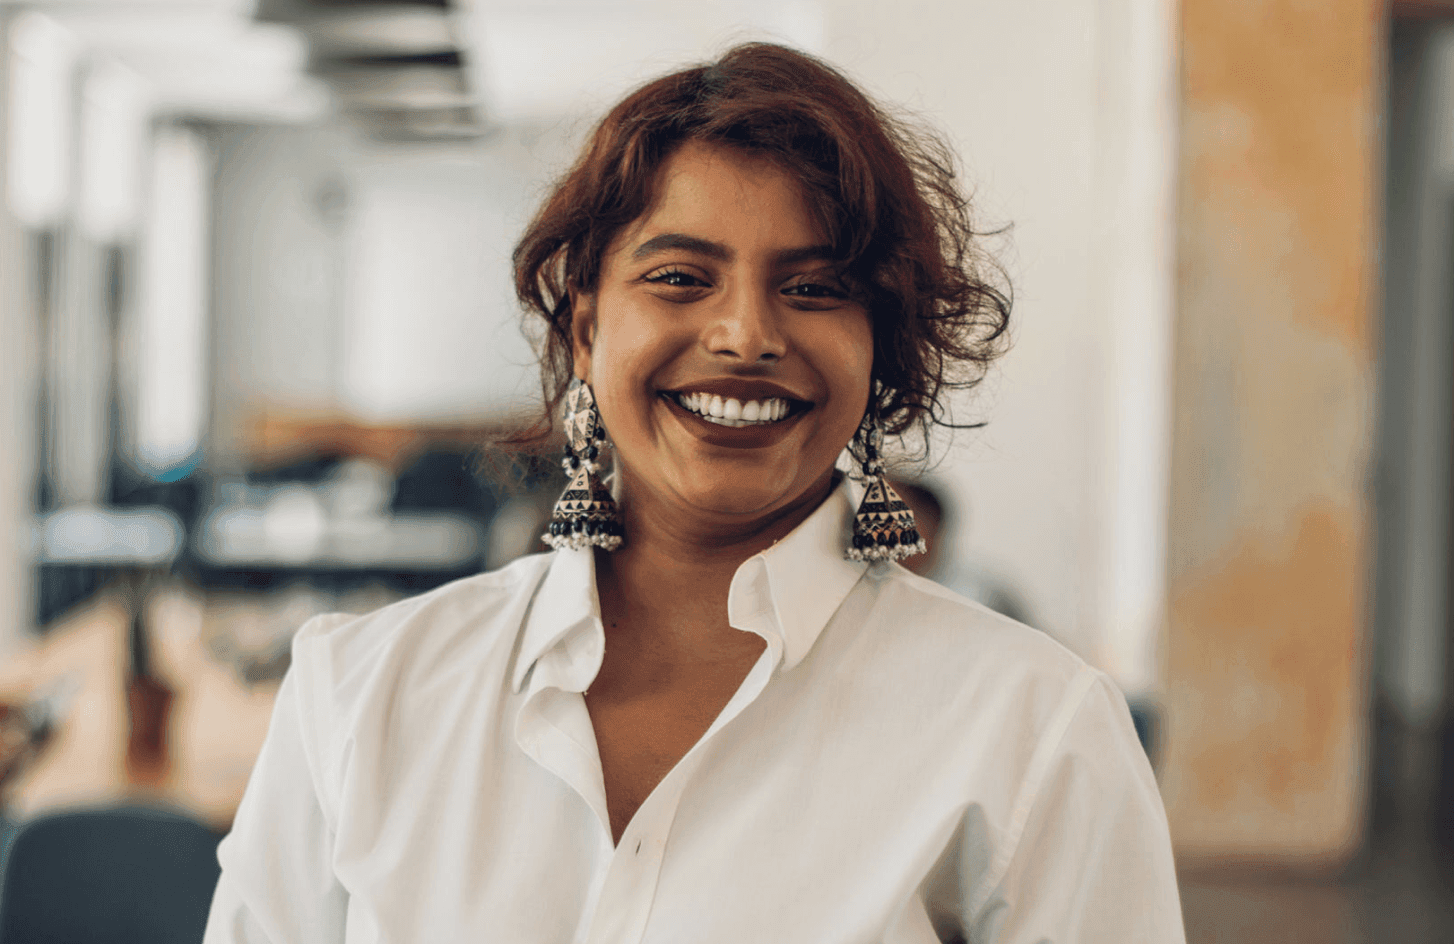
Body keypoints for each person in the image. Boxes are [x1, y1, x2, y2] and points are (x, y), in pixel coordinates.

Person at [203, 43, 1185, 943]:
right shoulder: (360, 693)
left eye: (813, 287)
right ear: (584, 330)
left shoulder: (1034, 728)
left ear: (878, 346)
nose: (745, 334)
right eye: (679, 276)